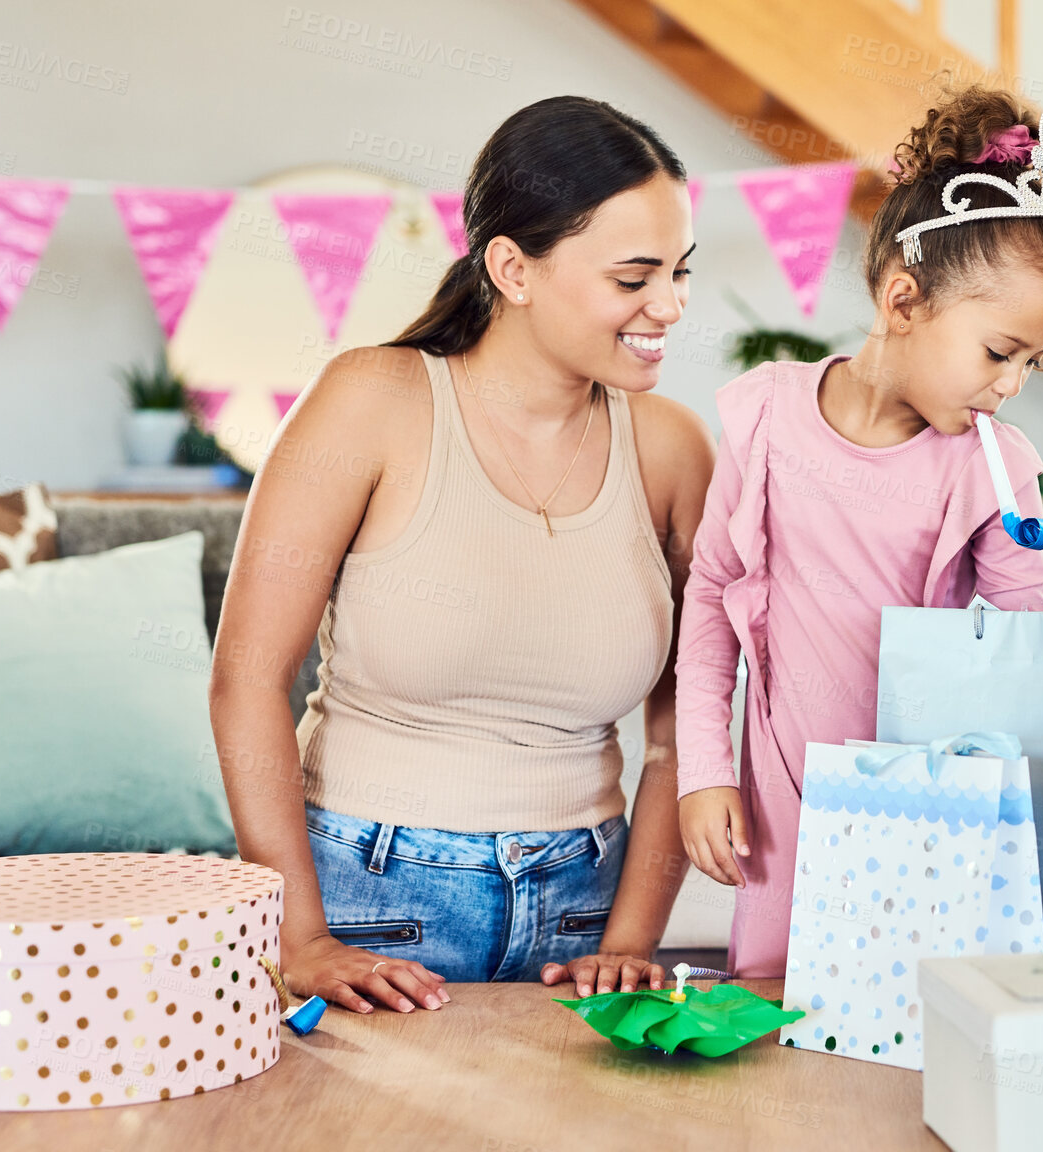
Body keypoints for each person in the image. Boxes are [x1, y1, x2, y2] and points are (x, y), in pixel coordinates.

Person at [209, 95, 715, 1014]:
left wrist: (632, 940)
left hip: (582, 914)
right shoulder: (372, 400)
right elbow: (245, 677)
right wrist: (302, 937)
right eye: (634, 277)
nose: (670, 307)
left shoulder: (675, 451)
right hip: (367, 899)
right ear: (512, 268)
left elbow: (688, 732)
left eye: (681, 272)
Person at [672, 83, 1043, 977]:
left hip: (928, 818)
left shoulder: (997, 465)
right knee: (783, 1038)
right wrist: (704, 771)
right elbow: (710, 601)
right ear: (903, 301)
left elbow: (1025, 657)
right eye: (999, 351)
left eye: (1032, 364)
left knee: (902, 1044)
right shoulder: (764, 419)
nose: (1012, 385)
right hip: (781, 807)